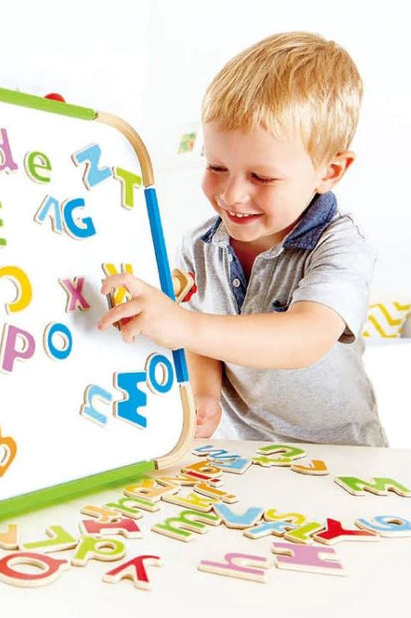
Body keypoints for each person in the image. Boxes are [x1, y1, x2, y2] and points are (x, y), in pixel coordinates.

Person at [98, 31, 388, 446]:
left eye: (261, 177)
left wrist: (183, 324)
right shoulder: (198, 246)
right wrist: (204, 392)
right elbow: (203, 337)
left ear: (330, 171)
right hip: (243, 453)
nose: (231, 195)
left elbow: (305, 338)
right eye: (217, 167)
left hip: (342, 456)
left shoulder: (340, 243)